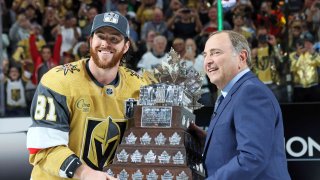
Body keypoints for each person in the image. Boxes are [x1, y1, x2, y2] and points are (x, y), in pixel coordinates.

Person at [26, 11, 148, 180]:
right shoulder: (57, 81)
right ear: (91, 41)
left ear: (126, 46)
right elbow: (43, 148)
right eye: (100, 36)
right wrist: (84, 173)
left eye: (114, 38)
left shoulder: (140, 87)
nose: (106, 43)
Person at [189, 30, 290, 179]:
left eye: (215, 53)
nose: (208, 61)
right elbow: (236, 145)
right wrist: (207, 139)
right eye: (205, 55)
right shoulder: (231, 94)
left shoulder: (251, 92)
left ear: (241, 57)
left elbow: (252, 158)